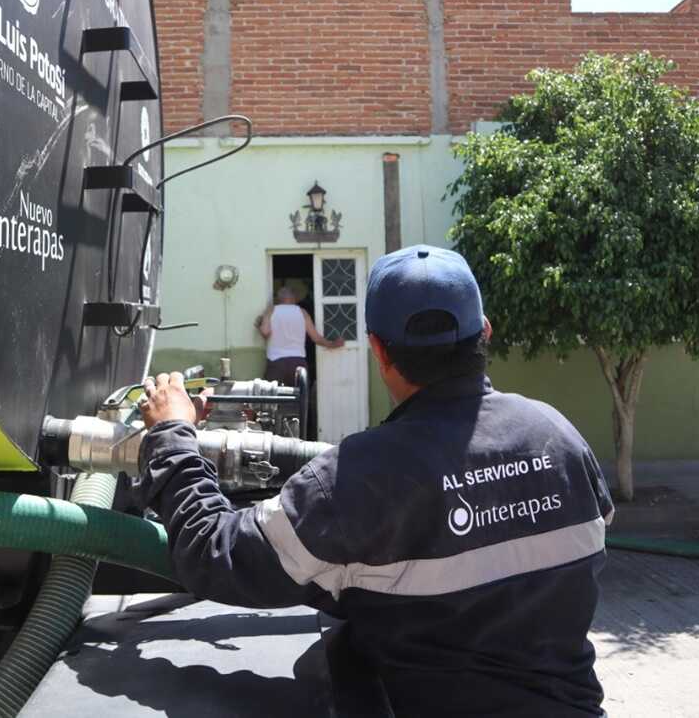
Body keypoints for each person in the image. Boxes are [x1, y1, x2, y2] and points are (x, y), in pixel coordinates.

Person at [134, 245, 615, 717]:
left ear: (380, 351)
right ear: (484, 332)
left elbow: (213, 553)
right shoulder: (559, 436)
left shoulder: (353, 479)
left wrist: (172, 434)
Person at [255, 286, 343, 386]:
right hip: (298, 363)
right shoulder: (302, 312)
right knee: (300, 398)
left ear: (278, 299)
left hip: (276, 362)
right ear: (294, 298)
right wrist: (332, 344)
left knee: (273, 398)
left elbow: (265, 332)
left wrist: (259, 327)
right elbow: (316, 338)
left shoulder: (271, 311)